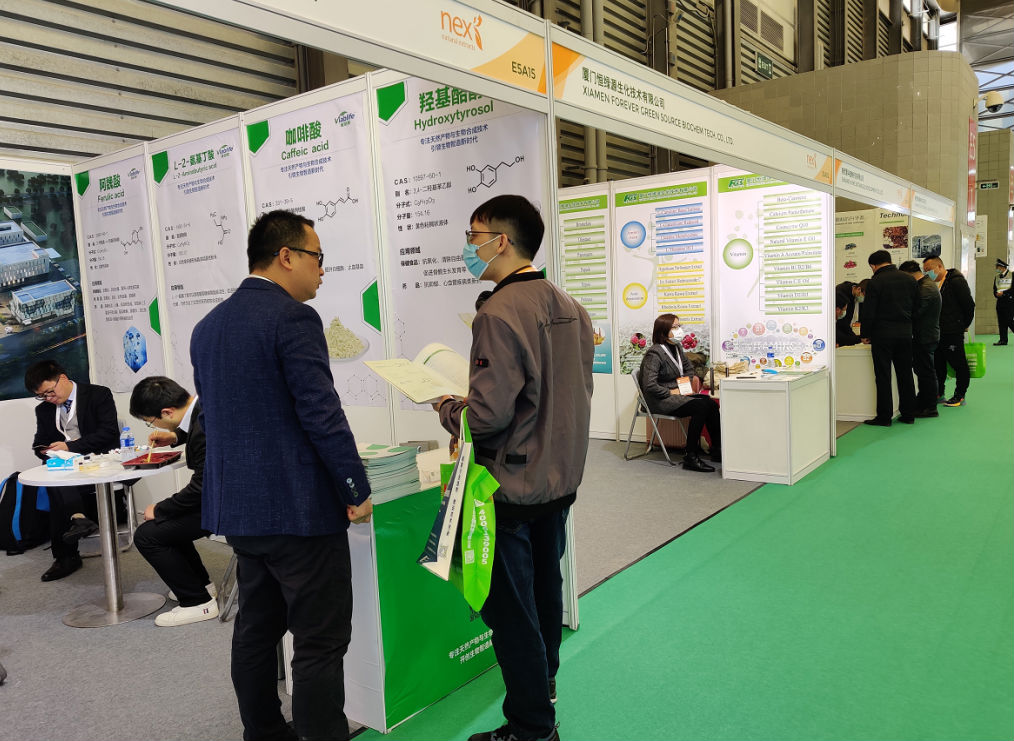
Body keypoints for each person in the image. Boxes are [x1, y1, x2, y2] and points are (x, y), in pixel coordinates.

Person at [190, 210, 373, 741]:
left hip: (241, 511)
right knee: (319, 641)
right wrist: (355, 487)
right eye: (318, 257)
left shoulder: (208, 327)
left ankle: (265, 732)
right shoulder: (293, 318)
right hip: (299, 512)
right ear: (286, 256)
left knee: (257, 629)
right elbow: (321, 413)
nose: (322, 270)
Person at [432, 195, 593, 741]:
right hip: (558, 479)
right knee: (546, 595)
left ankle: (531, 729)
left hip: (509, 488)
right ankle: (544, 692)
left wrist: (447, 407)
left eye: (473, 235)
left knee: (512, 614)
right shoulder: (571, 306)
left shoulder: (498, 312)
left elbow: (488, 417)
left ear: (500, 241)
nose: (468, 246)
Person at [128, 376, 218, 626]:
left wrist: (160, 508)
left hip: (228, 506)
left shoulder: (203, 428)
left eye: (150, 421)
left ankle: (198, 602)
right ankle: (202, 585)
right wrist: (175, 437)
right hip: (227, 496)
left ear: (167, 412)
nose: (153, 426)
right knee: (166, 523)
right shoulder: (205, 405)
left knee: (147, 535)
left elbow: (201, 487)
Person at [25, 360, 119, 581]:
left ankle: (66, 557)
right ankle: (79, 519)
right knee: (53, 477)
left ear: (63, 378)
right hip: (68, 466)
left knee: (56, 487)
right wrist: (47, 451)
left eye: (50, 392)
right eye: (42, 396)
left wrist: (70, 447)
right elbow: (39, 442)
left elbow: (108, 432)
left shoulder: (98, 395)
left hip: (99, 460)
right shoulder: (44, 409)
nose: (48, 399)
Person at [638, 313, 721, 472]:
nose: (679, 330)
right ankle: (690, 456)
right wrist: (672, 392)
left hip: (677, 394)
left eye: (679, 326)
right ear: (663, 331)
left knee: (710, 403)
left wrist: (684, 386)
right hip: (659, 400)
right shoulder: (654, 354)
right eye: (674, 327)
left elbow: (689, 369)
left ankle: (717, 450)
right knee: (701, 407)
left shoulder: (676, 348)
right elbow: (649, 386)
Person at [860, 250, 918, 426]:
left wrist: (865, 334)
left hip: (882, 335)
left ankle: (884, 417)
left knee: (883, 376)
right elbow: (916, 307)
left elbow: (869, 311)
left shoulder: (875, 282)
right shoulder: (909, 279)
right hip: (905, 333)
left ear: (873, 266)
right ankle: (908, 414)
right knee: (905, 374)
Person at [922, 255, 974, 407]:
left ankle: (960, 395)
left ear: (939, 266)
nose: (927, 273)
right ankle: (939, 393)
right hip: (938, 331)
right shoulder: (935, 284)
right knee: (938, 364)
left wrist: (963, 324)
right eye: (925, 270)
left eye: (929, 269)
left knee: (958, 363)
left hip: (953, 330)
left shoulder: (956, 281)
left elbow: (969, 305)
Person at [899, 260, 941, 417]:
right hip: (926, 335)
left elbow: (916, 313)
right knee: (923, 371)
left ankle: (930, 406)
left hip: (925, 336)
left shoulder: (925, 288)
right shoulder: (925, 285)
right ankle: (924, 402)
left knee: (926, 373)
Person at [834, 280, 863, 346]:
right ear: (837, 309)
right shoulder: (840, 293)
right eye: (844, 310)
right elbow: (841, 337)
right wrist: (858, 339)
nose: (844, 313)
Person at [992, 258, 1014, 345]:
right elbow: (994, 289)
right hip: (1000, 302)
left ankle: (1003, 339)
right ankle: (1003, 340)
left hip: (1009, 302)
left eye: (997, 267)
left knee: (1009, 321)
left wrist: (1004, 293)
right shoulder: (997, 277)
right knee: (1001, 322)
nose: (996, 269)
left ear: (1002, 267)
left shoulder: (1012, 275)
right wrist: (996, 294)